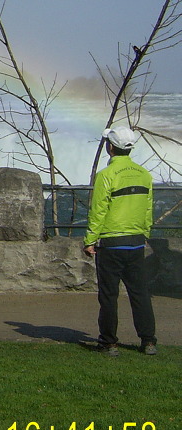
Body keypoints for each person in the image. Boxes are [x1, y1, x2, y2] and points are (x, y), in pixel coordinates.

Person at [84, 126, 157, 357]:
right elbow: (148, 209)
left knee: (108, 296)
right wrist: (144, 234)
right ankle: (148, 341)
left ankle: (109, 343)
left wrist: (90, 240)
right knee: (140, 293)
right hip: (135, 242)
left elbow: (98, 211)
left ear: (110, 147)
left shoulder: (106, 175)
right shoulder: (144, 174)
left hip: (111, 242)